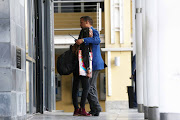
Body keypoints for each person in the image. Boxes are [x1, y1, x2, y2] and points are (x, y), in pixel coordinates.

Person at [76, 16, 105, 116]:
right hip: (88, 63)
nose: (80, 25)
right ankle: (94, 109)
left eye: (82, 22)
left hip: (94, 63)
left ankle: (97, 107)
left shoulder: (94, 31)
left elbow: (97, 40)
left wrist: (83, 40)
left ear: (87, 22)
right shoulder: (85, 32)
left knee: (90, 87)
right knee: (89, 87)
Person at [71, 28, 92, 116]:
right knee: (86, 87)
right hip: (82, 68)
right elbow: (85, 57)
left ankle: (76, 109)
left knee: (75, 88)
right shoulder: (85, 44)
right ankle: (82, 109)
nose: (91, 33)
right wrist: (88, 69)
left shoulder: (77, 44)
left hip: (75, 68)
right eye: (90, 32)